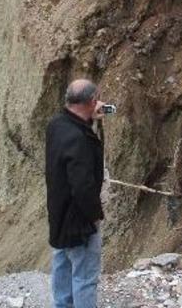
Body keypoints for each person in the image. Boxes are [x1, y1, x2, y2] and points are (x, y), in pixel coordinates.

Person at [46, 79, 106, 308]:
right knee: (84, 278)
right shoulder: (79, 139)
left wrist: (94, 122)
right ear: (92, 101)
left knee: (62, 262)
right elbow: (83, 186)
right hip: (78, 221)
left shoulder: (56, 124)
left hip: (59, 213)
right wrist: (95, 215)